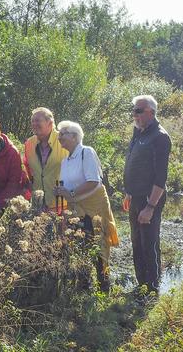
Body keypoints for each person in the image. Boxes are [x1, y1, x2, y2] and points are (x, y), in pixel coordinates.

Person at [53, 121, 119, 292]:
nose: (59, 137)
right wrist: (61, 191)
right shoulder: (65, 160)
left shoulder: (86, 152)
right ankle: (84, 289)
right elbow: (68, 188)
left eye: (63, 133)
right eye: (59, 134)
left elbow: (93, 181)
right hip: (76, 210)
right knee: (81, 247)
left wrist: (71, 193)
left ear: (75, 136)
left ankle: (104, 290)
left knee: (98, 247)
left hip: (94, 208)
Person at [122, 95, 171, 296]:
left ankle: (152, 290)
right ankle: (141, 285)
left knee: (149, 243)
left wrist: (150, 207)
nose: (135, 114)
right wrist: (128, 193)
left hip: (149, 199)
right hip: (135, 197)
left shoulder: (160, 137)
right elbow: (133, 167)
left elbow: (161, 178)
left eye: (139, 111)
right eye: (134, 110)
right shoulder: (139, 134)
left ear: (151, 112)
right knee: (136, 242)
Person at [23, 107, 69, 212]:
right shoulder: (29, 143)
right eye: (32, 121)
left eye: (38, 120)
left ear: (50, 122)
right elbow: (27, 170)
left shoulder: (64, 139)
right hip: (38, 204)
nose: (34, 124)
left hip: (62, 203)